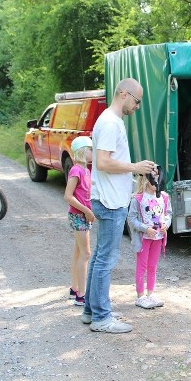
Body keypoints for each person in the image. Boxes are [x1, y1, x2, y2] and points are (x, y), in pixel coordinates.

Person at [81, 78, 156, 334]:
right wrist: (135, 167)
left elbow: (110, 161)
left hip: (107, 198)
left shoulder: (109, 120)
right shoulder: (111, 122)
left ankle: (92, 311)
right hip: (110, 202)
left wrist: (134, 169)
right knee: (106, 259)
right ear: (124, 94)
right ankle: (102, 318)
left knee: (99, 258)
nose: (137, 107)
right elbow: (102, 162)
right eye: (137, 101)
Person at [127, 170, 171, 309]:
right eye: (154, 179)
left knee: (153, 265)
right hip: (144, 238)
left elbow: (168, 214)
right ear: (146, 181)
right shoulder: (138, 199)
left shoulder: (164, 197)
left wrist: (166, 225)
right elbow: (131, 219)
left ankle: (150, 294)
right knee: (142, 266)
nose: (157, 183)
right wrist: (145, 229)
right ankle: (140, 296)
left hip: (158, 238)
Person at [64, 136, 95, 307]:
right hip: (79, 216)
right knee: (86, 253)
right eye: (91, 149)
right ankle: (81, 295)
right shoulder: (76, 170)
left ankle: (75, 288)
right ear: (83, 151)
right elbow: (68, 196)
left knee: (78, 251)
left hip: (83, 215)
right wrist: (87, 211)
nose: (93, 152)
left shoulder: (87, 171)